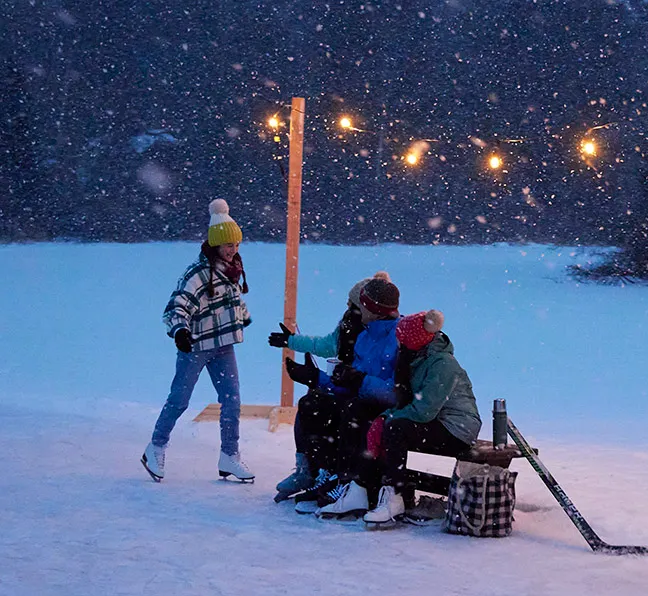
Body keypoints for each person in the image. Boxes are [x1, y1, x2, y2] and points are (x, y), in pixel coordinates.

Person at [141, 198, 254, 483]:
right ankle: (155, 447)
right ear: (215, 244)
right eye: (229, 245)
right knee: (180, 399)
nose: (234, 250)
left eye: (237, 245)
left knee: (232, 401)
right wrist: (180, 331)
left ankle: (230, 455)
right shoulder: (198, 273)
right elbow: (178, 305)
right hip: (195, 347)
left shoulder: (232, 270)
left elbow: (232, 299)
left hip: (223, 345)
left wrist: (244, 316)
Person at [267, 271, 390, 501]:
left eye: (352, 303)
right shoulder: (350, 324)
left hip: (363, 396)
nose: (347, 306)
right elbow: (327, 344)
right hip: (349, 386)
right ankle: (309, 471)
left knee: (331, 407)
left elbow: (366, 379)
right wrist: (292, 342)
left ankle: (336, 475)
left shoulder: (373, 333)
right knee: (310, 402)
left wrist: (321, 378)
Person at [362, 310, 482, 524]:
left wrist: (388, 419)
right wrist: (385, 416)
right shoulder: (416, 358)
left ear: (414, 340)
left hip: (458, 429)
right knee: (385, 424)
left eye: (402, 338)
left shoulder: (442, 364)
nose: (398, 342)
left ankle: (395, 498)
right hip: (438, 421)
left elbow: (424, 410)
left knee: (396, 429)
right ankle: (384, 491)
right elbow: (408, 402)